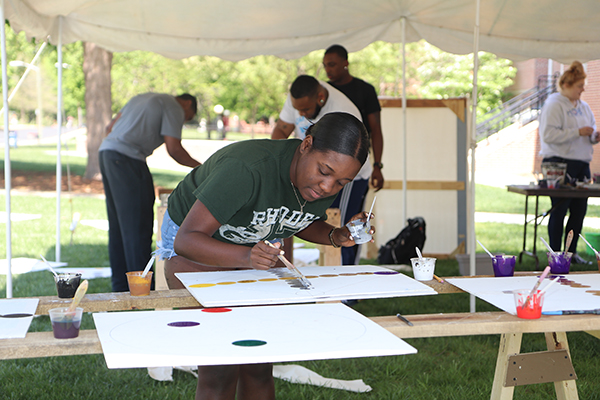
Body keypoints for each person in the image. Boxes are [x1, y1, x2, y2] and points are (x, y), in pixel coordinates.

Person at [158, 112, 372, 400]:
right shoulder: (247, 169)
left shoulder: (321, 179)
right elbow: (188, 240)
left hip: (247, 244)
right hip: (196, 242)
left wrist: (336, 235)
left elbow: (297, 218)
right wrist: (246, 258)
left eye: (341, 183)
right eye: (324, 172)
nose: (327, 187)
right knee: (220, 363)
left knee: (258, 358)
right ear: (306, 144)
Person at [100, 92, 202, 292]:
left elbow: (109, 128)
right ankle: (141, 291)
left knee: (119, 227)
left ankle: (121, 288)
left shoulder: (143, 97)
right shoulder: (174, 106)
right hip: (128, 159)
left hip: (107, 153)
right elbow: (174, 149)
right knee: (138, 226)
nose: (182, 120)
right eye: (186, 118)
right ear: (188, 104)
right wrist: (203, 170)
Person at [271, 75, 372, 265]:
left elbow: (351, 159)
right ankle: (286, 273)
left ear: (320, 99)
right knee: (289, 214)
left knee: (343, 229)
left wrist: (332, 177)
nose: (300, 114)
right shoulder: (298, 98)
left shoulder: (344, 109)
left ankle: (344, 289)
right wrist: (277, 168)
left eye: (306, 110)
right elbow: (280, 130)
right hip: (315, 168)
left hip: (351, 176)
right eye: (297, 109)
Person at [539, 61, 599, 265]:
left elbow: (590, 129)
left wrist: (593, 136)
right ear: (567, 85)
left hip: (581, 163)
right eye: (579, 86)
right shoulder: (554, 104)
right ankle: (555, 254)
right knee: (559, 209)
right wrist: (577, 132)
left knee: (579, 210)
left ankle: (570, 253)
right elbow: (548, 134)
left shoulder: (584, 106)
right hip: (559, 163)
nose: (582, 90)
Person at [323, 44, 385, 192]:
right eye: (325, 66)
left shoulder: (365, 90)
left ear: (346, 63)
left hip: (358, 161)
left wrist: (377, 165)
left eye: (332, 65)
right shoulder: (324, 91)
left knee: (352, 211)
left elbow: (376, 130)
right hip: (327, 162)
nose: (328, 70)